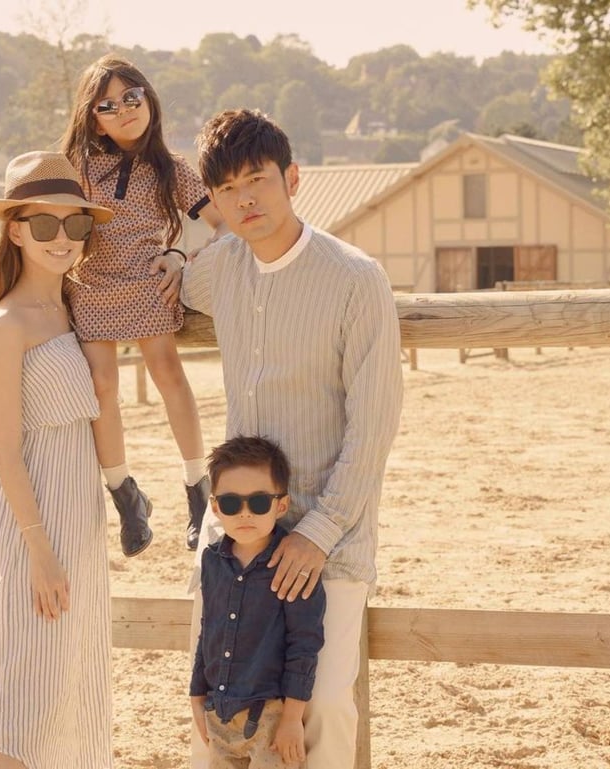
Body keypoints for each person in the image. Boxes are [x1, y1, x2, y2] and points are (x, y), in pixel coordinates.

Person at [177, 109, 404, 769]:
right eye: (228, 189)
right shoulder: (220, 269)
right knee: (214, 715)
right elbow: (172, 280)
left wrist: (320, 529)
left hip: (323, 543)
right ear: (215, 200)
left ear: (293, 178)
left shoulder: (356, 278)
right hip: (236, 540)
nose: (246, 199)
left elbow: (376, 421)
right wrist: (170, 251)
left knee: (325, 708)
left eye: (259, 180)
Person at [0, 151, 116, 769]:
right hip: (36, 529)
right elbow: (5, 447)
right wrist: (40, 550)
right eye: (46, 225)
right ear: (16, 230)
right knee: (27, 712)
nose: (63, 239)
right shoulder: (7, 323)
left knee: (73, 694)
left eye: (76, 225)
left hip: (80, 518)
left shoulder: (74, 308)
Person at [60, 55, 227, 556]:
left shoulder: (169, 168)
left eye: (132, 98)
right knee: (102, 388)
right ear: (94, 118)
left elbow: (222, 222)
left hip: (147, 281)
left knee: (169, 375)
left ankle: (198, 493)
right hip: (90, 284)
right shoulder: (76, 167)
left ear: (148, 98)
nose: (124, 111)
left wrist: (180, 256)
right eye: (108, 105)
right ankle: (126, 498)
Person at [190, 435, 326, 768]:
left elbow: (303, 644)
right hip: (219, 712)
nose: (246, 513)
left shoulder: (293, 567)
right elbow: (208, 630)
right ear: (216, 507)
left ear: (281, 505)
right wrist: (197, 694)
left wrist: (293, 718)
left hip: (272, 718)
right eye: (233, 503)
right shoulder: (212, 561)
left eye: (260, 502)